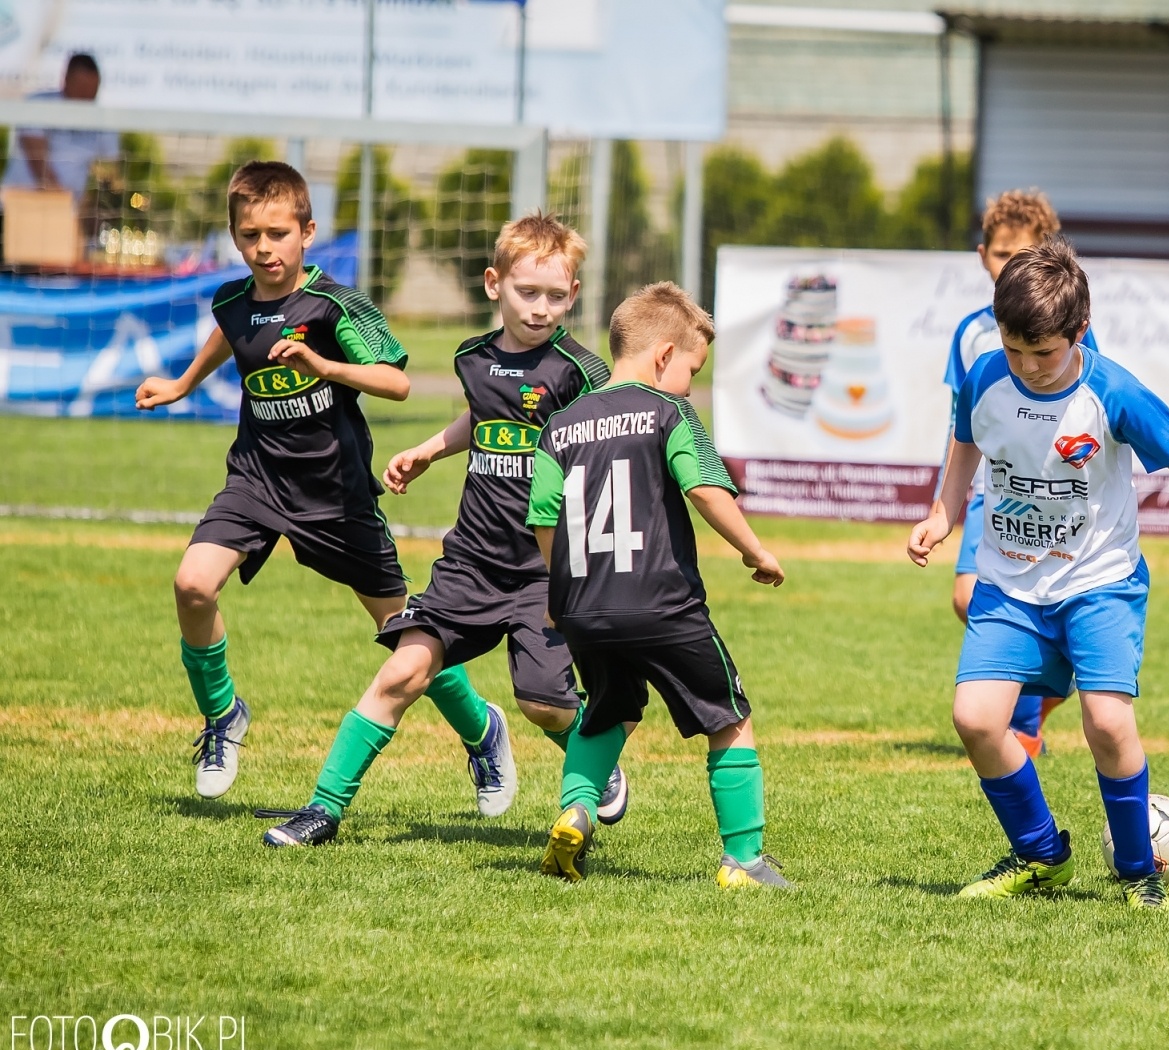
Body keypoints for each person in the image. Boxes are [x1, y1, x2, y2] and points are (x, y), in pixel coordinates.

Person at [253, 213, 632, 847]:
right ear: (494, 284)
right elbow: (483, 418)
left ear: (574, 294)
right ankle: (322, 810)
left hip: (545, 571)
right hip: (471, 564)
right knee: (402, 674)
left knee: (541, 700)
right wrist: (429, 450)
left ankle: (594, 752)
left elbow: (612, 437)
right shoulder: (472, 358)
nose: (541, 309)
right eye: (527, 292)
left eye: (556, 296)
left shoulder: (579, 371)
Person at [909, 237, 1169, 909]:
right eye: (1015, 349)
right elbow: (966, 441)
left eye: (1045, 353)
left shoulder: (1110, 389)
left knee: (1108, 724)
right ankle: (1040, 854)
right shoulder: (986, 375)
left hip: (1099, 584)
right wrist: (942, 513)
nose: (1028, 366)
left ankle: (1139, 870)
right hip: (1009, 583)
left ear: (1079, 332)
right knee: (974, 718)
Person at [136, 161, 428, 801]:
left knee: (405, 636)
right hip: (257, 479)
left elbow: (397, 382)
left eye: (276, 233)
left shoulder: (335, 305)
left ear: (308, 231)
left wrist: (322, 364)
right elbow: (232, 330)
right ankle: (222, 716)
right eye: (249, 236)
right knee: (191, 583)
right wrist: (183, 383)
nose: (263, 248)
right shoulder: (233, 299)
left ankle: (480, 731)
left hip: (336, 491)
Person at [527, 282, 791, 889]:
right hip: (662, 602)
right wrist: (756, 549)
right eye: (693, 370)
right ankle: (744, 861)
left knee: (606, 712)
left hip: (584, 607)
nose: (691, 385)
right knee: (729, 716)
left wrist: (558, 594)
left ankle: (577, 811)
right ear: (664, 355)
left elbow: (544, 517)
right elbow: (703, 489)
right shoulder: (669, 413)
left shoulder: (561, 425)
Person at [945, 190, 1101, 758]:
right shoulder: (969, 333)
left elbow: (1088, 399)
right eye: (1001, 252)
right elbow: (962, 420)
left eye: (1026, 251)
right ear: (983, 254)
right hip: (991, 487)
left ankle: (1028, 716)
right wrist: (947, 500)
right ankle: (1029, 698)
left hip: (1049, 493)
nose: (1011, 262)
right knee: (967, 598)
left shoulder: (1067, 329)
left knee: (1012, 600)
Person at [2, 53, 117, 201]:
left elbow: (111, 170)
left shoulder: (103, 121)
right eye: (82, 88)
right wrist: (60, 201)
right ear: (66, 80)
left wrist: (94, 205)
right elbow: (37, 160)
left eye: (92, 89)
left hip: (71, 213)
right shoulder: (39, 105)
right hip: (25, 204)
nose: (86, 95)